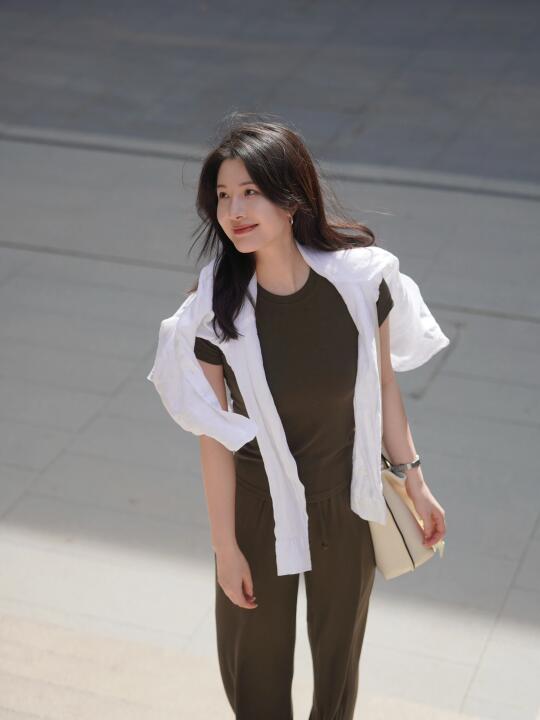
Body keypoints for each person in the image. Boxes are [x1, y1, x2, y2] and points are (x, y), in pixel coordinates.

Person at [149, 113, 447, 719]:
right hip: (257, 509)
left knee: (338, 674)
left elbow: (384, 385)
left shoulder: (361, 284)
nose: (234, 211)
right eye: (223, 196)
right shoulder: (210, 312)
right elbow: (213, 436)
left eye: (250, 192)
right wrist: (225, 547)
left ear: (291, 198)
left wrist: (414, 479)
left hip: (347, 502)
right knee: (255, 677)